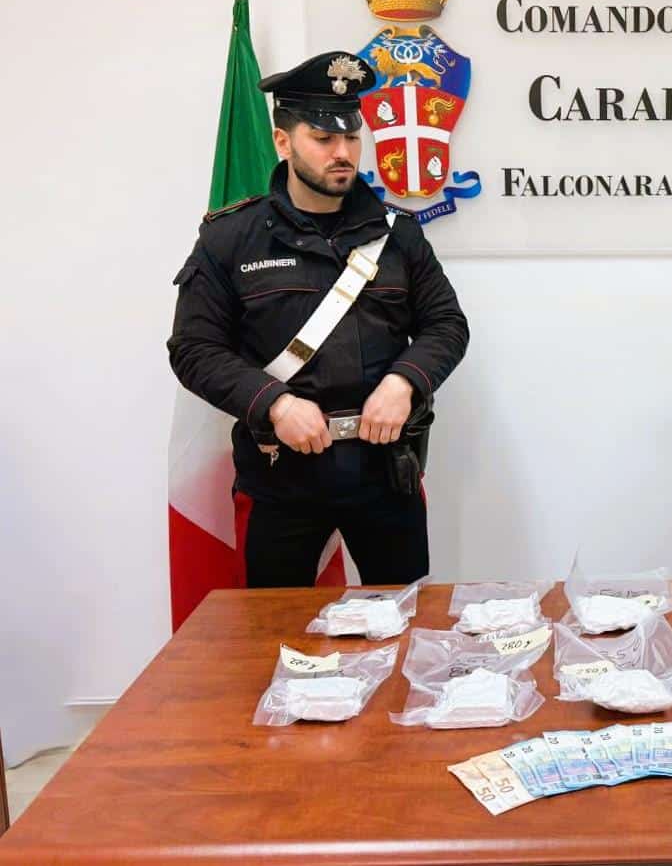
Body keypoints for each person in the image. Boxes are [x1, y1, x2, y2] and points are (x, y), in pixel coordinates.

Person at [168, 50, 469, 587]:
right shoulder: (230, 239)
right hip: (280, 475)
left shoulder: (398, 234)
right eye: (323, 138)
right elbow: (194, 349)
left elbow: (446, 324)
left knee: (400, 617)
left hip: (385, 470)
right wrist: (275, 403)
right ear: (283, 142)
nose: (343, 152)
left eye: (351, 137)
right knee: (274, 626)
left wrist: (405, 382)